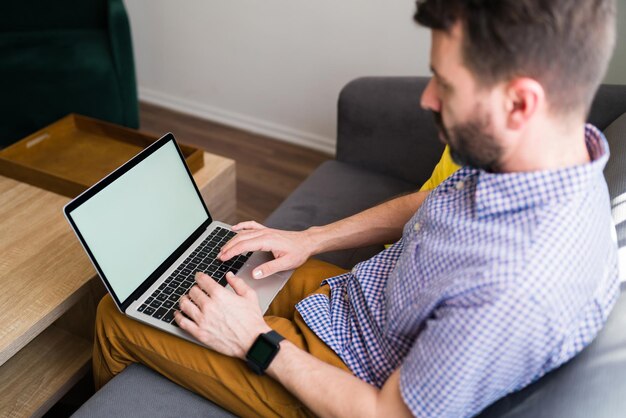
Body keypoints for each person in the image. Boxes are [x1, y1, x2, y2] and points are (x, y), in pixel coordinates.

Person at [93, 0, 620, 416]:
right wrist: (309, 239)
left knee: (115, 317)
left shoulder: (519, 286)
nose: (427, 99)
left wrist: (253, 338)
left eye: (446, 83)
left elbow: (387, 414)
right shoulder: (545, 158)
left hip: (343, 380)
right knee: (213, 261)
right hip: (354, 304)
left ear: (521, 102)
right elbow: (432, 202)